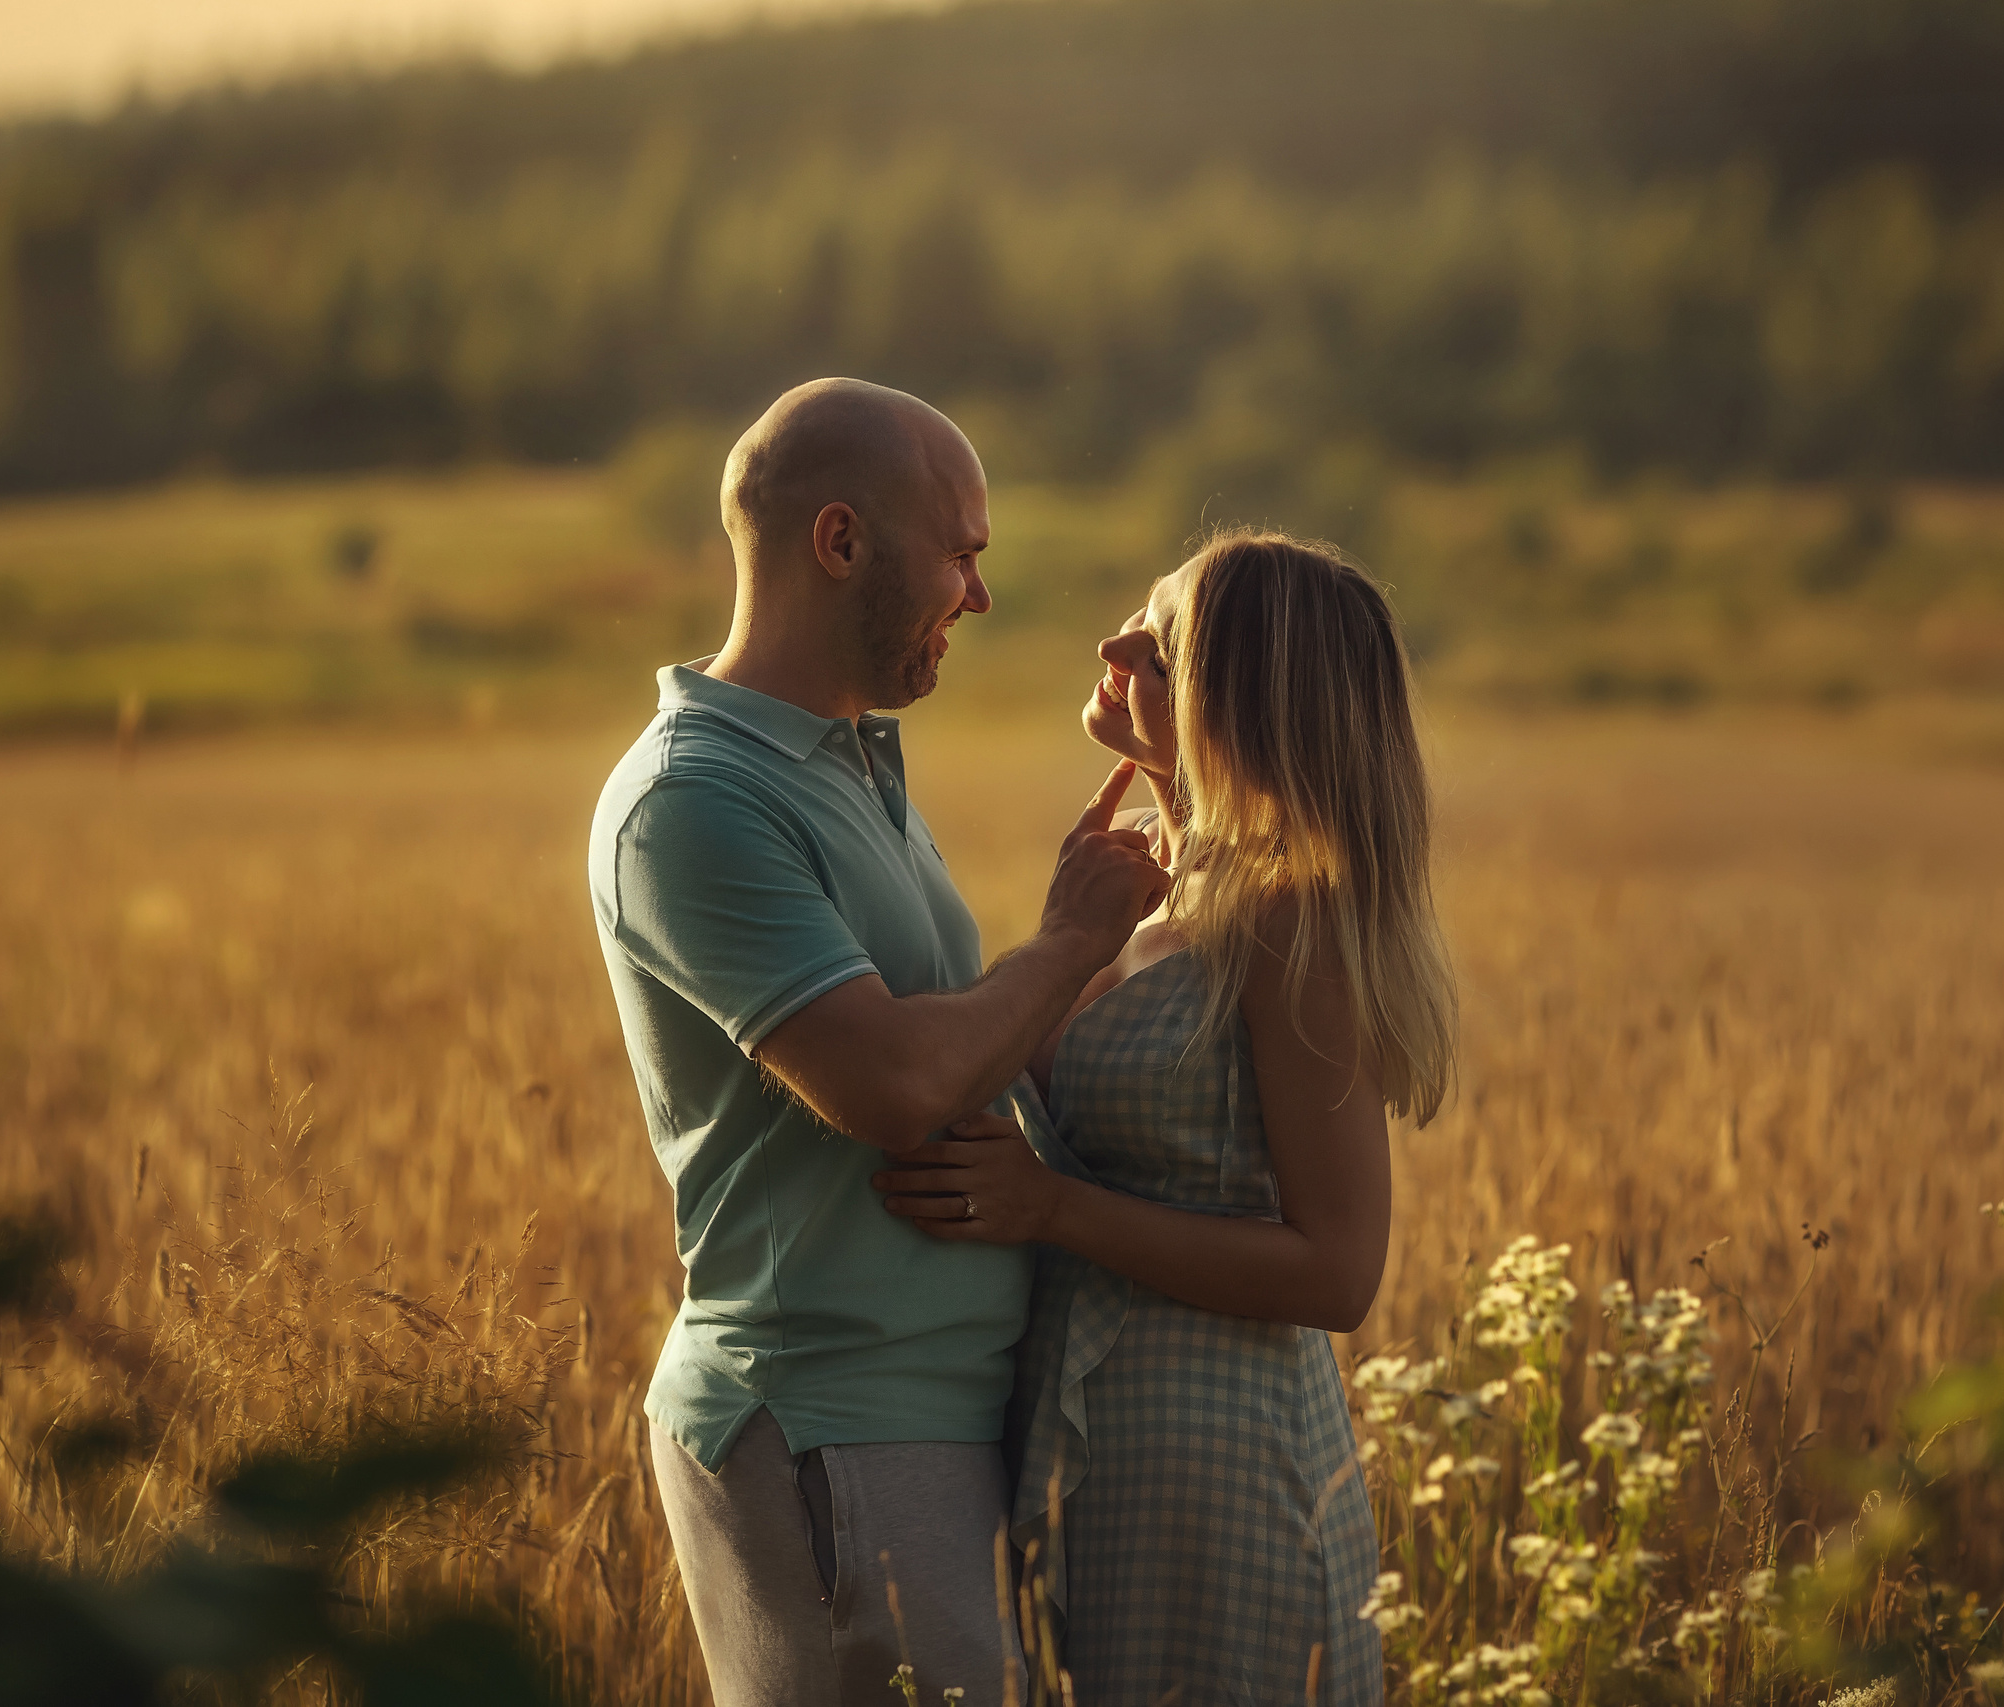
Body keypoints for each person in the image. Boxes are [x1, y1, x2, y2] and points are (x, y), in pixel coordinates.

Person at [586, 378, 1170, 1706]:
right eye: (961, 550)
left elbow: (961, 1047)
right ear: (842, 542)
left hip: (921, 1420)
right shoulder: (691, 801)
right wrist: (1066, 944)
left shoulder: (841, 764)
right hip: (831, 1422)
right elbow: (898, 1083)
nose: (978, 594)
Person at [872, 531, 1459, 1706]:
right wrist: (1065, 936)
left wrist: (1049, 1208)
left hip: (1219, 1461)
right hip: (1093, 1445)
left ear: (1239, 699)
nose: (1113, 645)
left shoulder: (1291, 916)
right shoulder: (1151, 895)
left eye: (1163, 642)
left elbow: (1339, 1272)